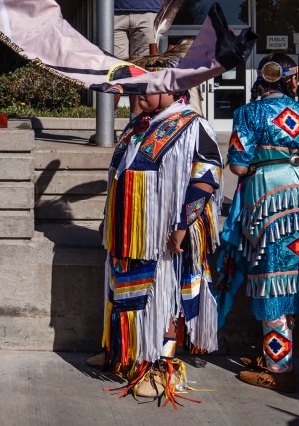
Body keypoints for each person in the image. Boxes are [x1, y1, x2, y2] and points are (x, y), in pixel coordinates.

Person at [88, 47, 222, 403]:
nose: (138, 94)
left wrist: (185, 224)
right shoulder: (138, 125)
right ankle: (124, 354)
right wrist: (107, 218)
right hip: (127, 230)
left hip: (162, 235)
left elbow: (206, 177)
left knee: (163, 296)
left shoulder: (192, 125)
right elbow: (118, 175)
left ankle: (161, 368)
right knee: (122, 292)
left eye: (146, 87)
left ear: (172, 90)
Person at [216, 53, 299, 393]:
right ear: (292, 80)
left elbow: (237, 166)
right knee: (291, 279)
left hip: (269, 204)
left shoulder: (249, 113)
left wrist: (261, 164)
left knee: (273, 279)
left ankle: (280, 369)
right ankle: (274, 357)